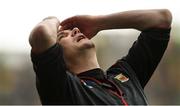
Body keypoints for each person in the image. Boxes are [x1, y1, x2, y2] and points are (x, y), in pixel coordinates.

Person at [29, 9, 172, 105]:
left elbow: (162, 19)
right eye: (62, 36)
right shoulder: (64, 89)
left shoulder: (125, 74)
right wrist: (52, 19)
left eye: (73, 30)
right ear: (56, 56)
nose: (75, 31)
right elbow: (41, 34)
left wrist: (99, 23)